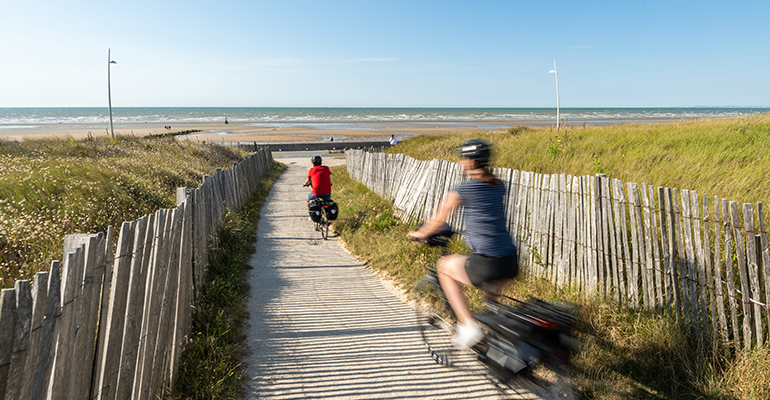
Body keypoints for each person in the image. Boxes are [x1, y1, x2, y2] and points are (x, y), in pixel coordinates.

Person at [408, 139, 518, 349]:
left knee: (444, 268)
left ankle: (468, 326)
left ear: (471, 162)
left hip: (488, 262)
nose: (461, 163)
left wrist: (419, 234)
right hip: (511, 260)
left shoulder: (464, 189)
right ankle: (498, 342)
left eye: (464, 159)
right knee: (490, 303)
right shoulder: (498, 185)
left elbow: (437, 221)